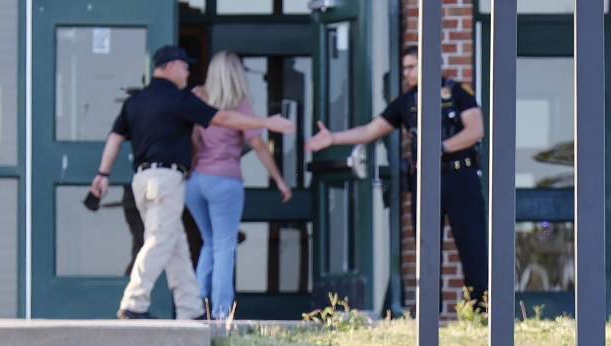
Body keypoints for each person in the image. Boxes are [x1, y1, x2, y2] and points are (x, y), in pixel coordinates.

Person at [89, 45, 293, 320]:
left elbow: (115, 137)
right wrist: (267, 121)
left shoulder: (136, 102)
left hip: (145, 180)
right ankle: (134, 302)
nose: (188, 72)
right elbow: (223, 118)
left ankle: (192, 310)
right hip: (168, 180)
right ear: (171, 66)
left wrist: (103, 174)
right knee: (161, 241)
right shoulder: (180, 100)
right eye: (185, 66)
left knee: (178, 247)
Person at [305, 45, 488, 309]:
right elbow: (371, 130)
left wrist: (439, 148)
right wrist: (333, 138)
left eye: (412, 67)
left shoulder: (458, 93)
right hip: (426, 183)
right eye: (405, 68)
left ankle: (481, 314)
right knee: (426, 252)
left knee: (473, 248)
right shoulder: (406, 102)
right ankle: (428, 319)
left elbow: (476, 130)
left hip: (461, 178)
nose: (408, 73)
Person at [186, 51, 293, 320]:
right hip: (224, 181)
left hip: (195, 182)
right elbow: (258, 145)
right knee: (224, 246)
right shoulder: (239, 104)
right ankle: (222, 312)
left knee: (209, 243)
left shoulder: (197, 98)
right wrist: (280, 180)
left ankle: (195, 307)